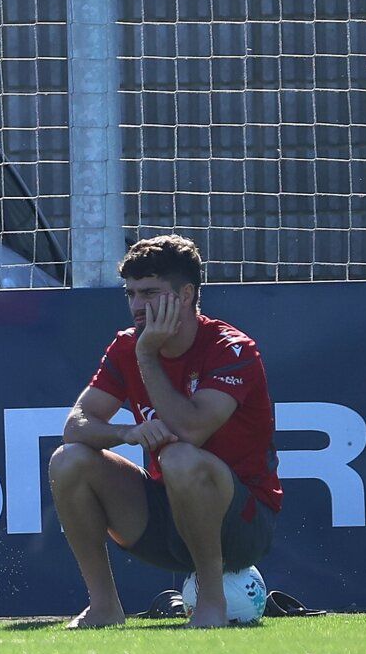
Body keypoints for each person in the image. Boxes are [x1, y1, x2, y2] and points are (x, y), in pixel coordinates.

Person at [49, 234, 280, 628]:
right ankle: (104, 607)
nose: (138, 307)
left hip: (241, 526)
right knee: (68, 460)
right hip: (168, 518)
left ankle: (211, 605)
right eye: (131, 294)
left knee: (179, 455)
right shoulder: (125, 347)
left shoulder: (232, 348)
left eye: (151, 293)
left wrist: (146, 356)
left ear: (186, 294)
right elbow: (76, 425)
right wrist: (126, 433)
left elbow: (190, 430)